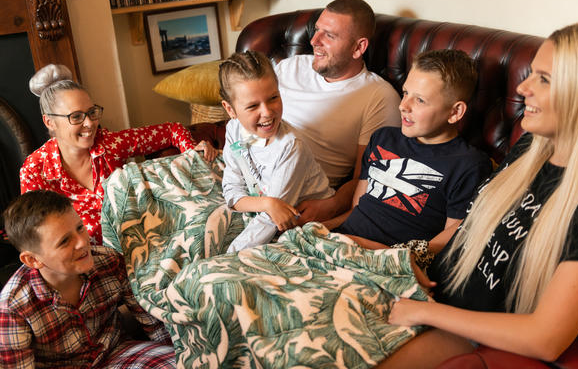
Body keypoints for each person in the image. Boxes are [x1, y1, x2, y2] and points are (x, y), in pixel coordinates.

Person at [373, 23, 578, 367]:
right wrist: (413, 258)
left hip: (462, 327)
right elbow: (472, 229)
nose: (523, 87)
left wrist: (425, 313)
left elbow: (546, 339)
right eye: (531, 74)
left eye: (544, 79)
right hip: (426, 287)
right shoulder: (530, 146)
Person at [20, 64, 216, 244]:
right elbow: (41, 236)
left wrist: (193, 152)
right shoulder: (35, 170)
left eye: (92, 112)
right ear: (49, 122)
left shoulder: (110, 144)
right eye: (77, 116)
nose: (89, 124)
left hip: (143, 246)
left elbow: (172, 130)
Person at [325, 49, 491, 260]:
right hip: (340, 243)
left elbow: (453, 236)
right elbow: (358, 209)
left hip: (390, 260)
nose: (403, 106)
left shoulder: (468, 165)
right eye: (405, 93)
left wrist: (395, 255)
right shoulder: (383, 138)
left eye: (420, 100)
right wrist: (318, 228)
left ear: (455, 112)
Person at [0, 190, 176, 368]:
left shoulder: (109, 261)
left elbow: (153, 324)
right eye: (64, 241)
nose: (82, 242)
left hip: (117, 353)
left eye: (79, 228)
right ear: (33, 259)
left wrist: (181, 353)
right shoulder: (13, 308)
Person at [274, 0, 402, 224]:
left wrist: (331, 205)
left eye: (329, 36)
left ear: (358, 47)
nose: (314, 41)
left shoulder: (378, 98)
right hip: (243, 171)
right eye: (316, 30)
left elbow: (367, 177)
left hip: (291, 197)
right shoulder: (290, 67)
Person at [221, 51, 334, 252]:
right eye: (253, 105)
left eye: (273, 97)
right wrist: (267, 203)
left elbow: (270, 222)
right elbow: (231, 190)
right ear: (230, 110)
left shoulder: (291, 147)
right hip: (265, 208)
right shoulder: (233, 129)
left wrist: (229, 255)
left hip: (300, 221)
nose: (267, 112)